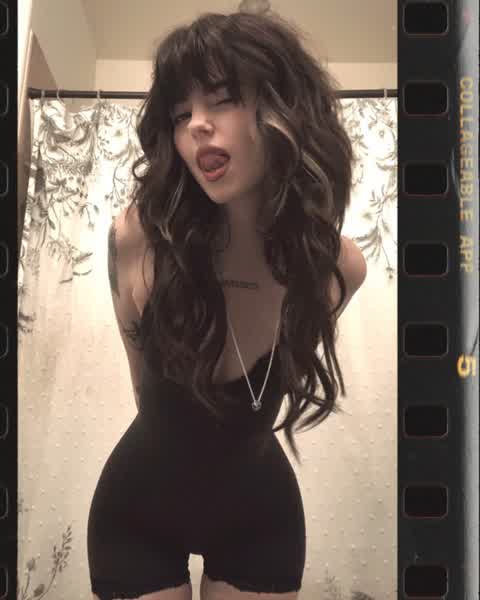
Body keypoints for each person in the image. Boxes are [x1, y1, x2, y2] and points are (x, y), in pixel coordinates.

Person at [87, 10, 367, 600]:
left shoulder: (336, 267)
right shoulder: (136, 239)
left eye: (222, 101)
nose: (197, 125)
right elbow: (142, 389)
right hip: (135, 515)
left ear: (286, 111)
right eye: (180, 114)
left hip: (260, 519)